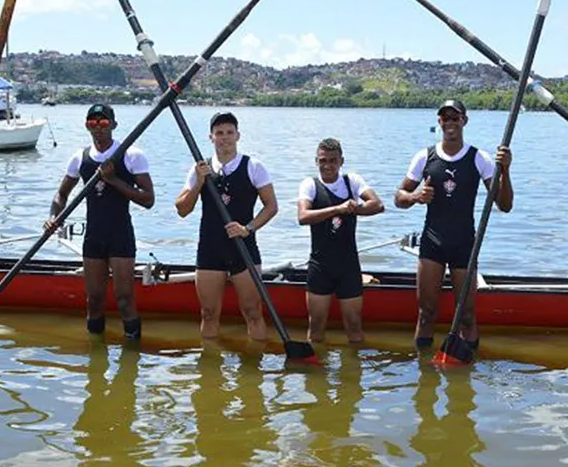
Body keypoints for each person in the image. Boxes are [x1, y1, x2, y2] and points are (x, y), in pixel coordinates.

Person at [394, 99, 513, 351]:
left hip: (464, 244)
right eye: (445, 118)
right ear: (439, 122)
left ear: (464, 121)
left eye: (455, 118)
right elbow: (398, 198)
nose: (450, 123)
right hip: (432, 243)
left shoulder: (479, 158)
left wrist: (506, 171)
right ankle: (424, 379)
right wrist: (416, 197)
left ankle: (466, 367)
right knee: (426, 314)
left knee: (467, 316)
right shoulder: (424, 156)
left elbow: (504, 204)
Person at [45, 103, 155, 340]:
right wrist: (54, 217)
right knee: (94, 300)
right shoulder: (80, 158)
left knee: (125, 299)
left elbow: (148, 199)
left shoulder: (131, 155)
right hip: (94, 236)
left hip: (120, 235)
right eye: (92, 123)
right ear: (87, 127)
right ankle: (95, 360)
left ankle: (131, 356)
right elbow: (61, 194)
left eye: (103, 122)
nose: (98, 128)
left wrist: (113, 180)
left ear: (113, 125)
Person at [174, 112, 279, 341]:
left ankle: (255, 369)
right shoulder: (200, 168)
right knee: (209, 313)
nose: (225, 138)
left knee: (252, 312)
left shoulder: (253, 166)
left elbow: (271, 207)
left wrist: (248, 228)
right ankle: (209, 374)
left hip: (243, 247)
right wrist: (200, 182)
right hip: (211, 249)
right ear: (211, 137)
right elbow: (182, 209)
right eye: (219, 133)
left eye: (229, 132)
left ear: (238, 135)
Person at [296, 137, 385, 344]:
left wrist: (356, 209)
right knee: (316, 326)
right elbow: (303, 217)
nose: (327, 165)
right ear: (316, 161)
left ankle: (353, 375)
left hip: (348, 266)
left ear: (341, 161)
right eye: (322, 160)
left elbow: (378, 205)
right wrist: (338, 209)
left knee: (354, 326)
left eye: (332, 161)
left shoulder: (351, 181)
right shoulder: (310, 184)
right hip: (320, 266)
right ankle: (315, 374)